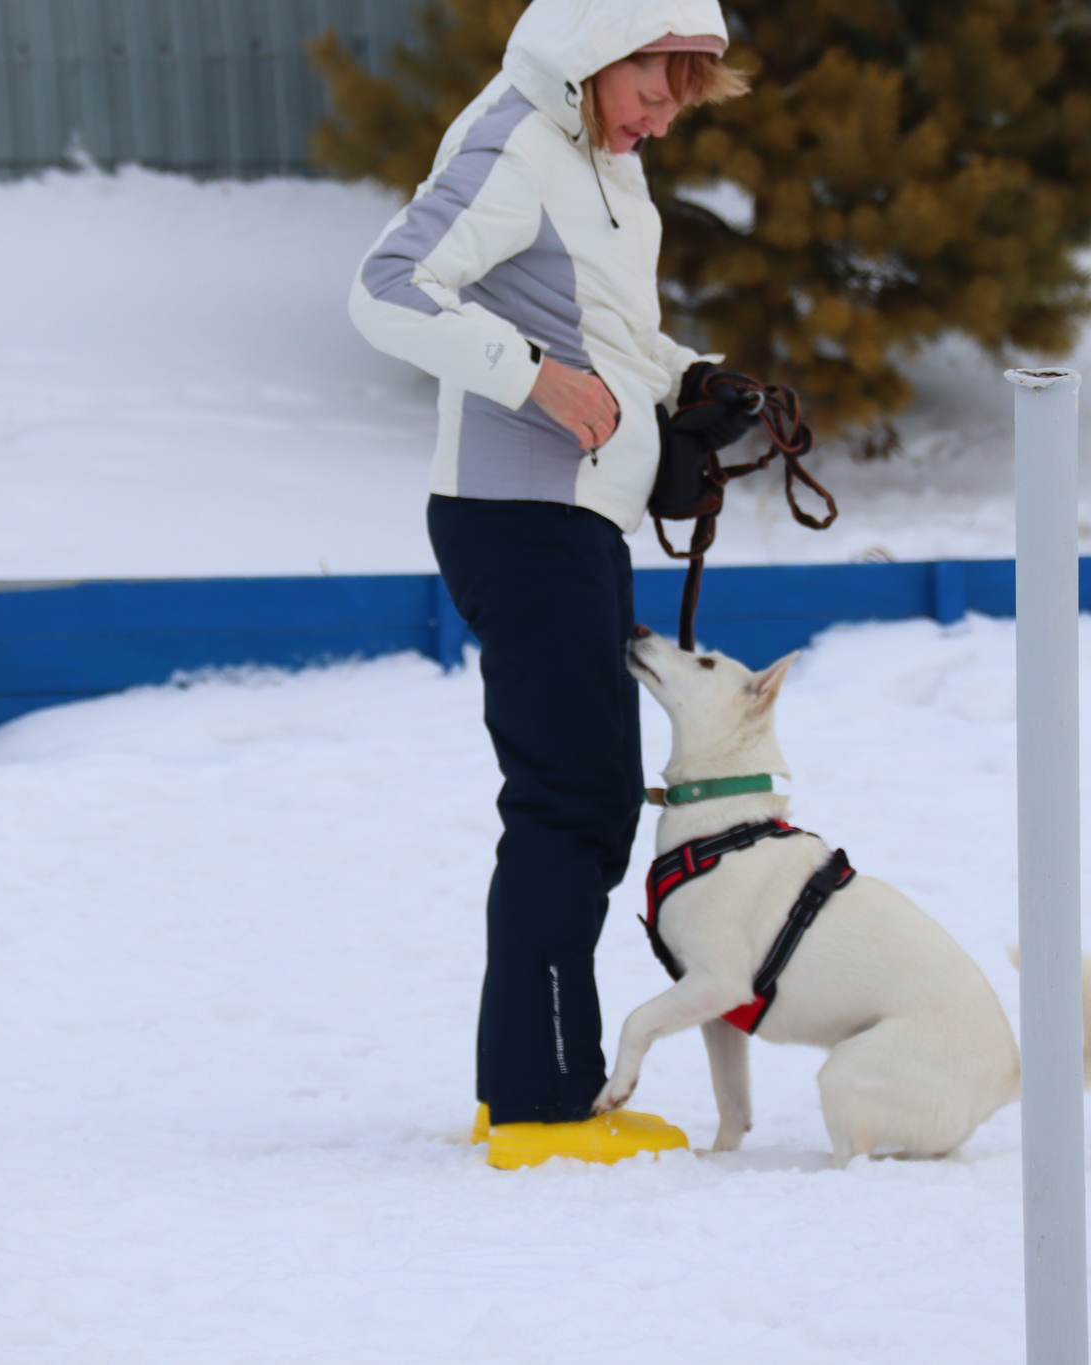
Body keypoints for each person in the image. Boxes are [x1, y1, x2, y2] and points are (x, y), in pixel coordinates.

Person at [348, 0, 752, 1169]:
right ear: (594, 49)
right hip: (516, 515)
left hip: (571, 517)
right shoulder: (513, 142)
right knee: (569, 805)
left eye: (684, 91)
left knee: (577, 801)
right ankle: (534, 1104)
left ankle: (532, 1087)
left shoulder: (597, 161)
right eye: (655, 82)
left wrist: (693, 380)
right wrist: (528, 380)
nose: (665, 113)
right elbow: (386, 288)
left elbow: (607, 331)